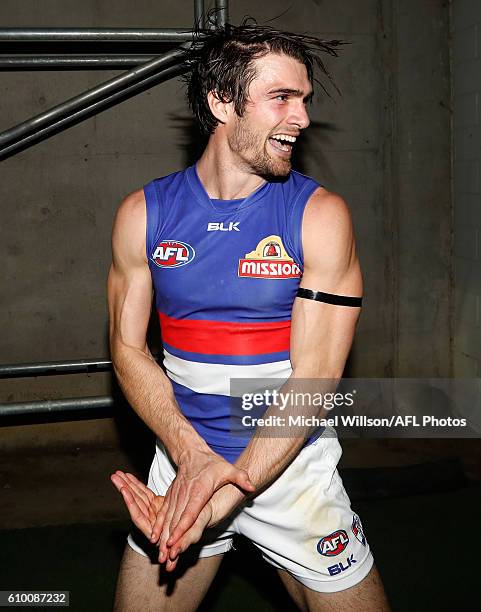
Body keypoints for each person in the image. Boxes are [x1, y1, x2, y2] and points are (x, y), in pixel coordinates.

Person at [108, 21, 390, 611]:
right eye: (281, 98)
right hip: (185, 459)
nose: (303, 118)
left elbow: (314, 380)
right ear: (220, 103)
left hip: (289, 469)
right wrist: (193, 458)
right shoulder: (143, 213)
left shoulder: (319, 216)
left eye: (304, 100)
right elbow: (128, 349)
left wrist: (232, 481)